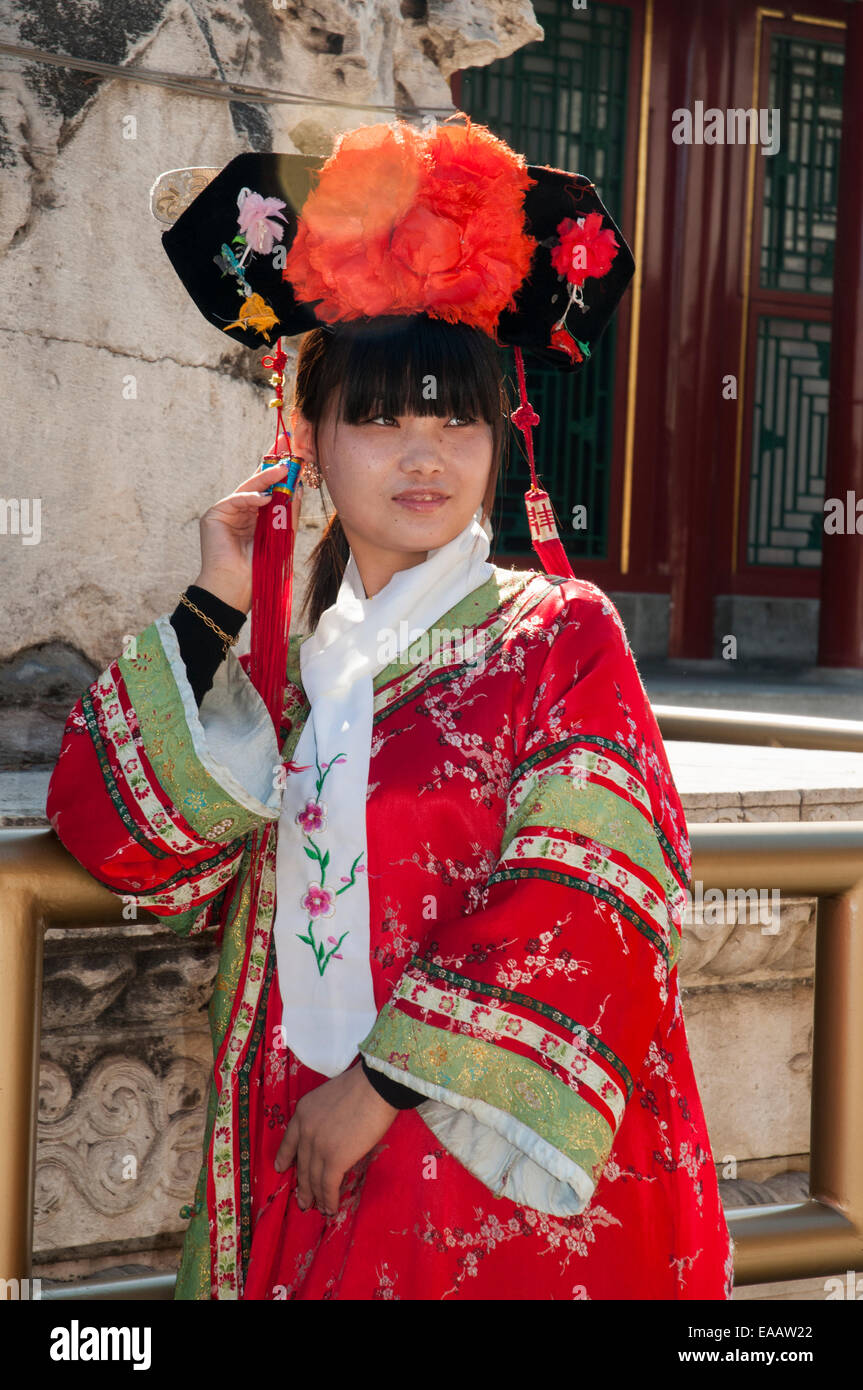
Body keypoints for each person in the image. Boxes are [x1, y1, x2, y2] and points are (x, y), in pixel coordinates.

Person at [46, 120, 733, 1300]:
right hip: (299, 1149)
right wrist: (216, 601)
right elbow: (118, 840)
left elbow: (590, 901)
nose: (423, 453)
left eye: (452, 417)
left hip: (483, 1166)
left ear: (497, 433)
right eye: (376, 417)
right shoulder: (289, 673)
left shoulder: (560, 636)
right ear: (305, 441)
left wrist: (380, 1088)